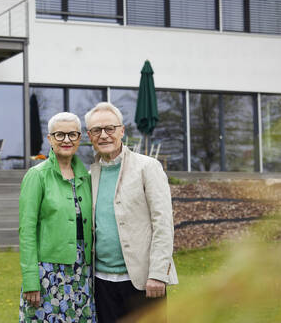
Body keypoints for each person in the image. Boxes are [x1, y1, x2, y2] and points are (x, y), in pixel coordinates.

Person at [85, 102, 178, 323]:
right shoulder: (91, 174)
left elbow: (163, 223)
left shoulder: (148, 167)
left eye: (110, 128)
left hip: (144, 282)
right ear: (89, 135)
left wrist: (157, 274)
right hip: (102, 283)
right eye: (97, 130)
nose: (104, 135)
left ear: (122, 130)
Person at [19, 112, 96, 322]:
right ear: (49, 139)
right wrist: (30, 280)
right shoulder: (37, 175)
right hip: (48, 274)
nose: (66, 140)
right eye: (60, 135)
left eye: (72, 134)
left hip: (82, 272)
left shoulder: (86, 177)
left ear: (80, 138)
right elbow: (26, 231)